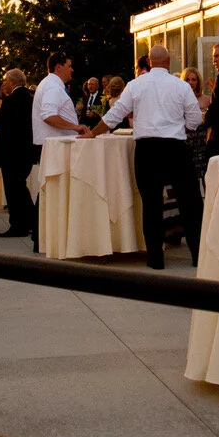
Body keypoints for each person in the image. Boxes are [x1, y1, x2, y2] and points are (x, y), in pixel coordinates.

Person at [84, 45, 202, 269]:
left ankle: (155, 259)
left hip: (147, 150)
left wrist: (92, 133)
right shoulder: (181, 86)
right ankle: (197, 256)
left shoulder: (135, 85)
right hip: (176, 147)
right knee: (190, 203)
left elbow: (114, 115)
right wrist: (179, 127)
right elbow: (195, 120)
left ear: (149, 61)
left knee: (151, 204)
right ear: (168, 62)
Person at [0, 68, 37, 238]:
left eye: (5, 81)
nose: (4, 84)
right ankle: (31, 222)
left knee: (14, 190)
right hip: (25, 150)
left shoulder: (12, 100)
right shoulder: (30, 98)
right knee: (20, 188)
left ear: (12, 82)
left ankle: (18, 225)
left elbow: (3, 126)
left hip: (11, 152)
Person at [32, 51, 89, 144]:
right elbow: (49, 116)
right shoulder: (52, 86)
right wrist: (75, 127)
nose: (72, 70)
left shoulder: (50, 84)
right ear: (58, 67)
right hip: (55, 146)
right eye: (69, 66)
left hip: (55, 145)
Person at [182, 64, 211, 190]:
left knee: (206, 174)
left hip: (202, 141)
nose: (191, 82)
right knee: (188, 176)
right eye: (187, 79)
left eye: (193, 79)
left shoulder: (206, 99)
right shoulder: (180, 99)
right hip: (186, 140)